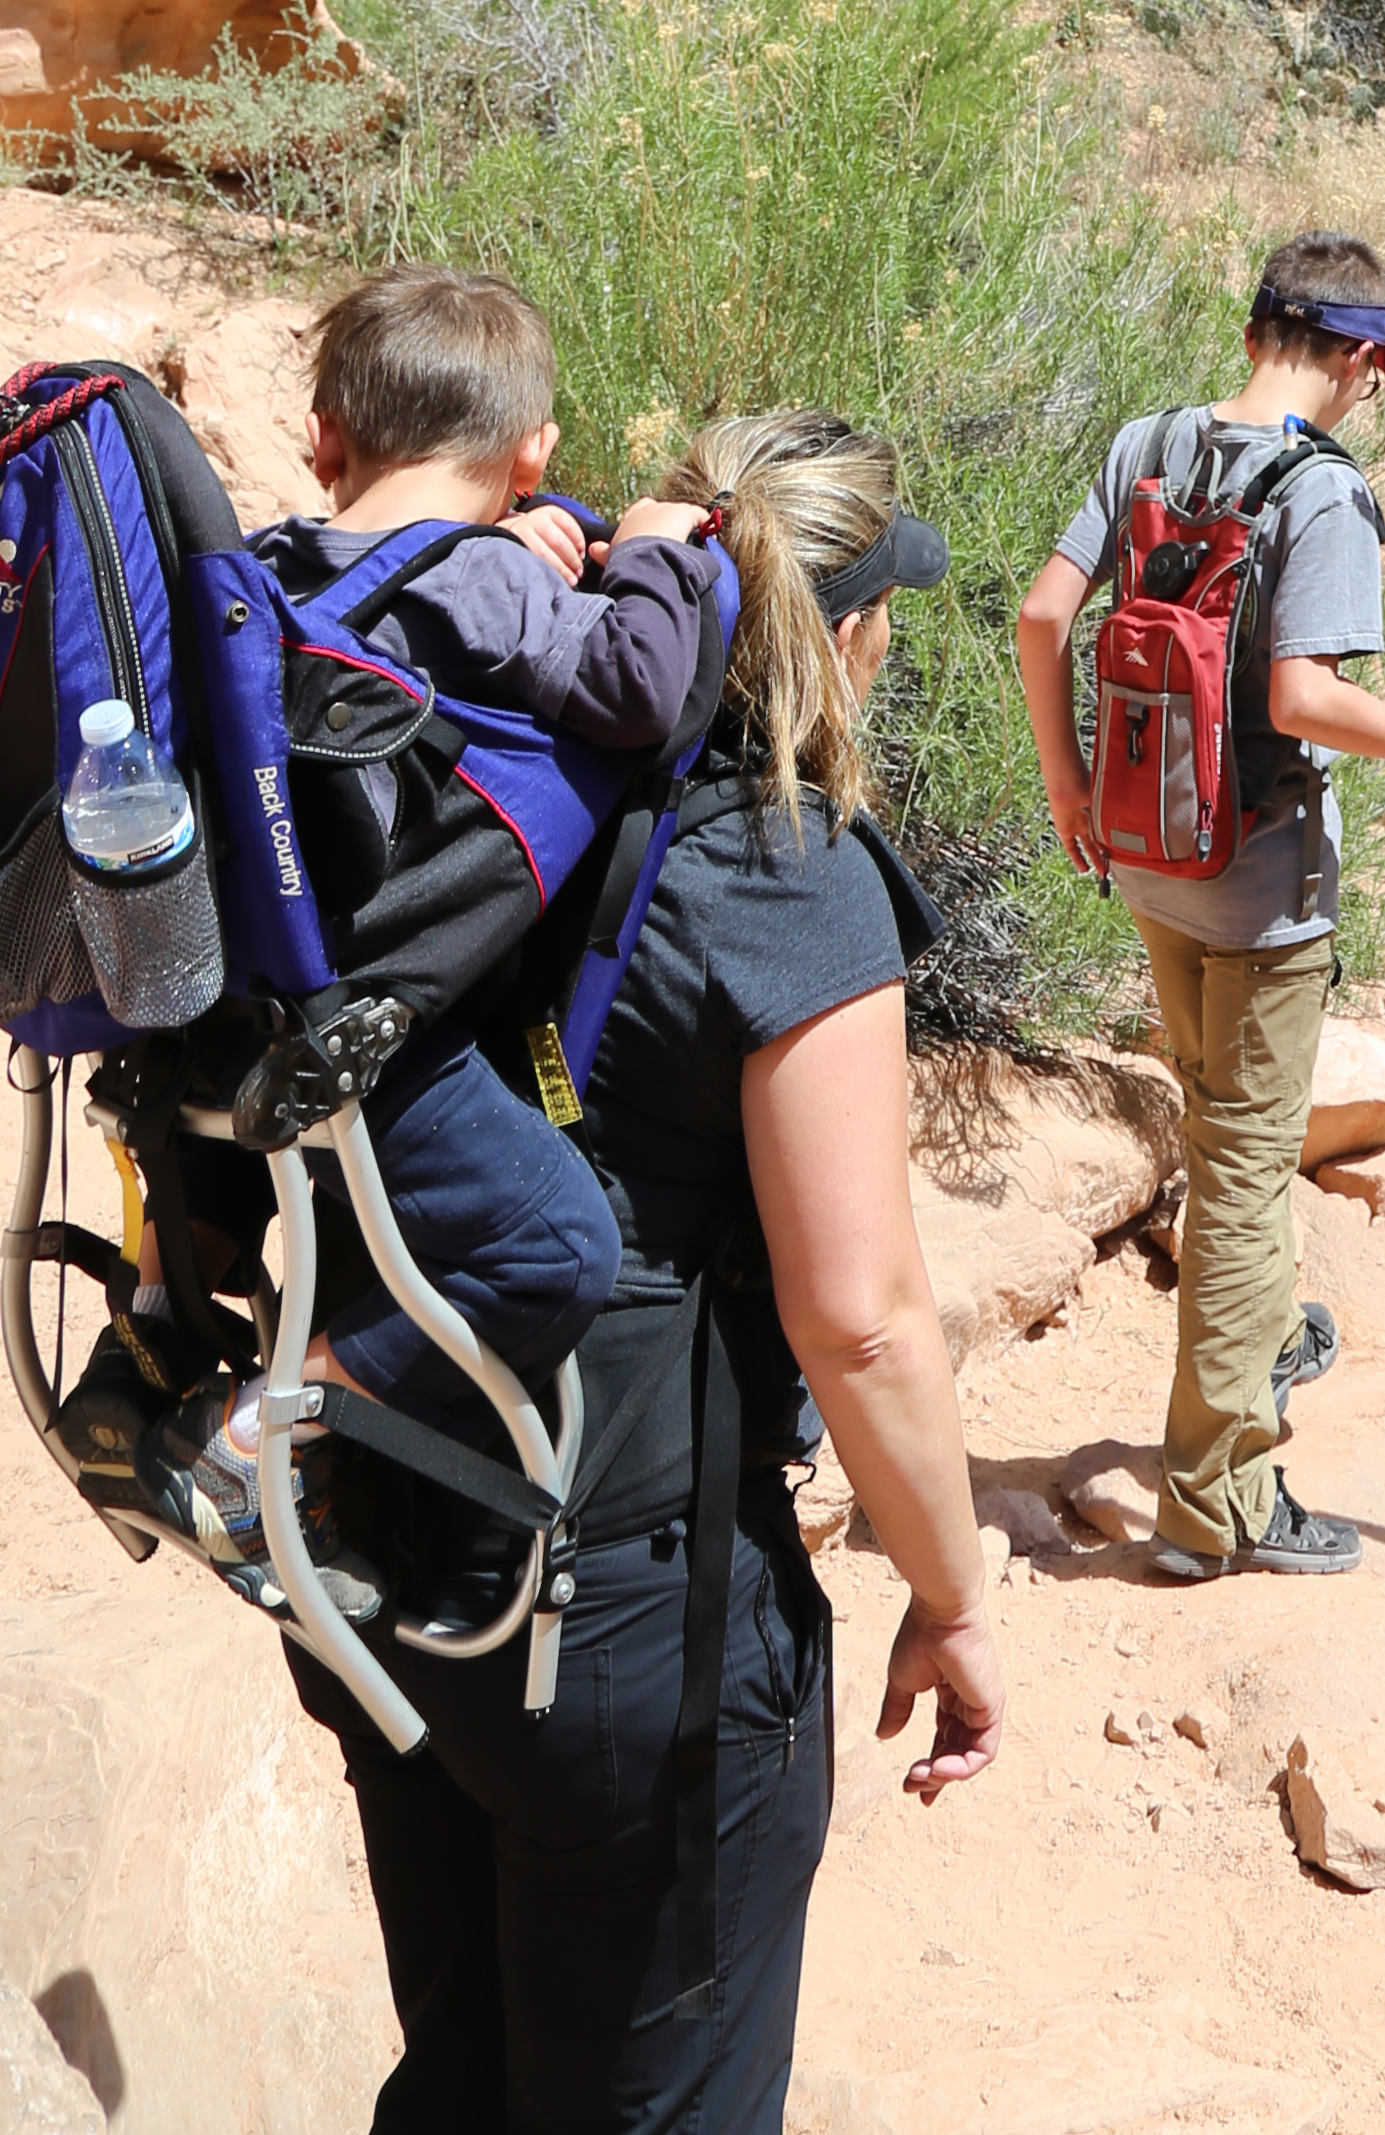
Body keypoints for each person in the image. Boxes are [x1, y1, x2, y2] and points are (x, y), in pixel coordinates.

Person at [288, 407, 1002, 2135]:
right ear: (841, 634)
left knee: (464, 2061)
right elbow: (862, 1316)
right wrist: (958, 1592)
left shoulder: (488, 777)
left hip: (387, 1534)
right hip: (627, 1600)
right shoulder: (781, 867)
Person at [150, 264, 731, 1601]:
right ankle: (264, 1433)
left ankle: (157, 1336)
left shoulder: (272, 564)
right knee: (554, 1246)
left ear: (325, 438)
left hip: (210, 1001)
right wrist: (647, 544)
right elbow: (639, 688)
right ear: (533, 457)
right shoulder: (490, 583)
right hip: (358, 1034)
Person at [1014, 233, 1385, 1585]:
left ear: (1252, 333)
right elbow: (1300, 701)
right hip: (1260, 880)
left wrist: (1070, 788)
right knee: (1245, 1174)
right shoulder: (1325, 493)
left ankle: (1256, 1342)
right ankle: (1215, 1502)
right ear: (1366, 360)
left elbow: (1038, 618)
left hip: (1146, 850)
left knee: (1214, 1121)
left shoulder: (1149, 446)